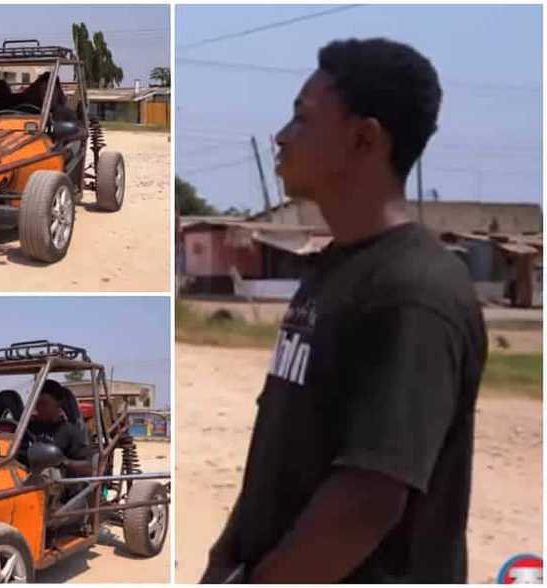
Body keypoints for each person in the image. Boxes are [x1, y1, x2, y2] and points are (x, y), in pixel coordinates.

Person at [201, 38, 486, 584]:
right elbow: (283, 450)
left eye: (302, 120)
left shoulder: (414, 292)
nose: (281, 136)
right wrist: (226, 559)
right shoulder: (335, 268)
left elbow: (366, 500)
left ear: (364, 138)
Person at [23, 379, 93, 477]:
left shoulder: (71, 431)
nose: (38, 408)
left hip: (59, 486)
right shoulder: (26, 428)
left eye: (43, 404)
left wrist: (63, 461)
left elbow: (90, 468)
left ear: (58, 404)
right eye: (36, 404)